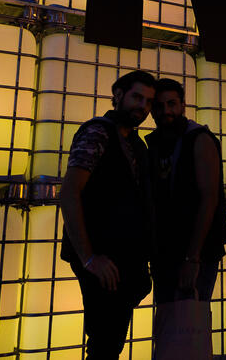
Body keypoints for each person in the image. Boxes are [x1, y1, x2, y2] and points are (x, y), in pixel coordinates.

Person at [60, 70, 156, 359]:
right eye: (137, 97)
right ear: (118, 95)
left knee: (109, 340)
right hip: (103, 259)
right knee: (106, 342)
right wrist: (89, 257)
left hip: (122, 259)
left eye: (148, 101)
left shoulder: (136, 143)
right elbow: (69, 193)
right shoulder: (98, 132)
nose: (143, 107)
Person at [145, 78, 226, 307]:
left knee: (188, 316)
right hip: (166, 250)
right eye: (159, 105)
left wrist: (192, 258)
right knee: (171, 318)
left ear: (183, 105)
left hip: (197, 251)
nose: (166, 111)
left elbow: (209, 198)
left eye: (172, 104)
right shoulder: (157, 142)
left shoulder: (199, 139)